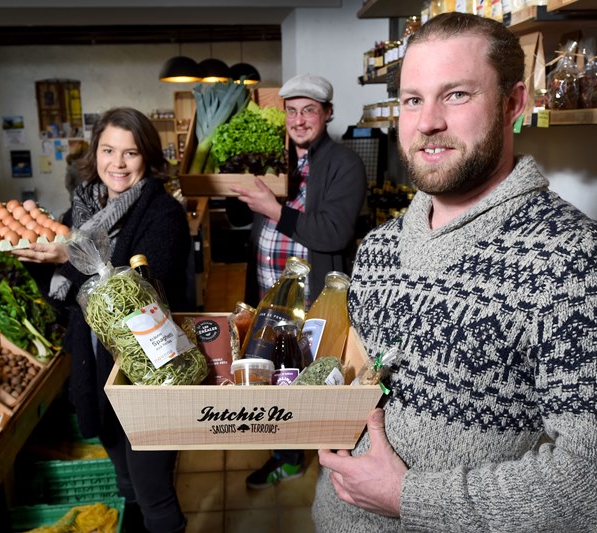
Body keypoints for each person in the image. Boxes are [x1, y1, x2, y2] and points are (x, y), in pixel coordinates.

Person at [314, 12, 597, 532]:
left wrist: (408, 496)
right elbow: (361, 387)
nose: (427, 123)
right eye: (413, 99)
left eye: (458, 95)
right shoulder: (378, 247)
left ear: (514, 104)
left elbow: (588, 480)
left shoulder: (572, 261)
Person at [13, 107, 191, 533]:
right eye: (109, 150)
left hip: (147, 370)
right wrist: (32, 252)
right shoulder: (80, 211)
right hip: (96, 367)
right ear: (95, 154)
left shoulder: (163, 213)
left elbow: (143, 288)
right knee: (125, 480)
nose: (118, 163)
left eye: (130, 153)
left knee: (154, 491)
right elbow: (62, 295)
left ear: (146, 158)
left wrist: (71, 253)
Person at [227, 73, 367, 490]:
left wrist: (274, 208)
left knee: (319, 374)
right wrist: (236, 197)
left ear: (327, 114)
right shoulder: (275, 158)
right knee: (277, 373)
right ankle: (287, 457)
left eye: (310, 110)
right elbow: (245, 220)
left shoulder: (346, 164)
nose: (299, 119)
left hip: (317, 298)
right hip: (271, 291)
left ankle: (338, 468)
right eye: (292, 110)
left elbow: (332, 233)